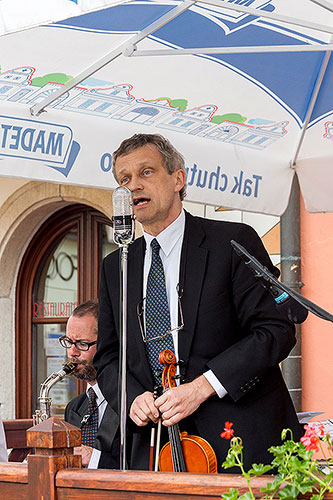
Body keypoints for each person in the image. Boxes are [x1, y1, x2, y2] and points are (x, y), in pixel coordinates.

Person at [94, 133, 303, 472]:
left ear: (178, 178)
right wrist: (132, 397)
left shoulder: (233, 242)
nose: (133, 186)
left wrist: (203, 386)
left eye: (146, 172)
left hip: (239, 443)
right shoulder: (116, 266)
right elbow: (108, 356)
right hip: (154, 449)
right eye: (124, 179)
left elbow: (275, 330)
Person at [61, 300, 120, 469]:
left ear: (105, 344)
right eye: (69, 342)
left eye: (82, 344)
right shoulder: (73, 408)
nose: (72, 352)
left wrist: (94, 458)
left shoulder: (130, 404)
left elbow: (140, 468)